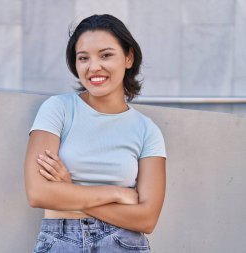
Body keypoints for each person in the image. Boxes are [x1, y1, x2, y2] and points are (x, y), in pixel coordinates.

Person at [24, 14, 167, 253]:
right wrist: (118, 194)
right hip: (60, 241)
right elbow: (38, 193)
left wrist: (69, 189)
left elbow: (147, 219)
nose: (93, 67)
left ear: (128, 57)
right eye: (83, 58)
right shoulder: (58, 109)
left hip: (123, 244)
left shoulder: (147, 130)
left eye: (106, 55)